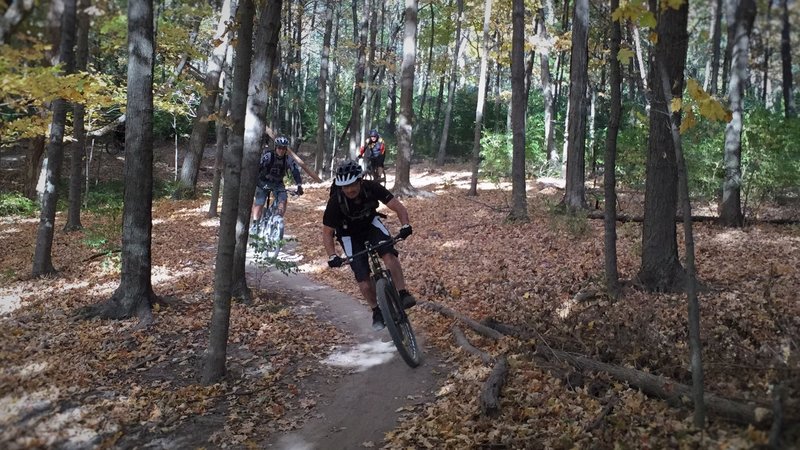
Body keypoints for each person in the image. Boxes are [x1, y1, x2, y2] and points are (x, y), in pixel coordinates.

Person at [323, 160, 416, 331]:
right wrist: (332, 255)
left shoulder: (372, 187)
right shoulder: (335, 202)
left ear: (360, 181)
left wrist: (405, 225)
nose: (350, 190)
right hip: (349, 235)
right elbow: (327, 233)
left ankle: (402, 293)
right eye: (345, 187)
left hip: (370, 225)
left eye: (353, 185)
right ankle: (376, 311)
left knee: (388, 254)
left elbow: (398, 207)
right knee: (363, 281)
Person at [250, 135, 303, 234]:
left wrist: (299, 185)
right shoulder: (268, 156)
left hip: (278, 183)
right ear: (275, 147)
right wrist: (256, 182)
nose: (281, 150)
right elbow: (258, 168)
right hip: (263, 182)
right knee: (260, 202)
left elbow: (295, 171)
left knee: (283, 199)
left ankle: (278, 220)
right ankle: (255, 224)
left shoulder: (288, 159)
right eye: (279, 147)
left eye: (283, 148)